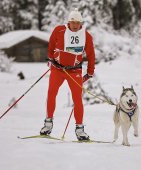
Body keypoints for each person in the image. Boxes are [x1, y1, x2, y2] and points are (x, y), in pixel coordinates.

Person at [40, 8, 95, 141]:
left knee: (77, 99)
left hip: (75, 70)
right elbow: (51, 46)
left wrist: (90, 72)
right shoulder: (59, 30)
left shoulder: (86, 35)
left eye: (78, 22)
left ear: (81, 23)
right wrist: (51, 60)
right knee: (51, 93)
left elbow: (91, 54)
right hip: (58, 69)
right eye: (73, 22)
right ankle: (48, 124)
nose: (75, 25)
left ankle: (80, 129)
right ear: (68, 22)